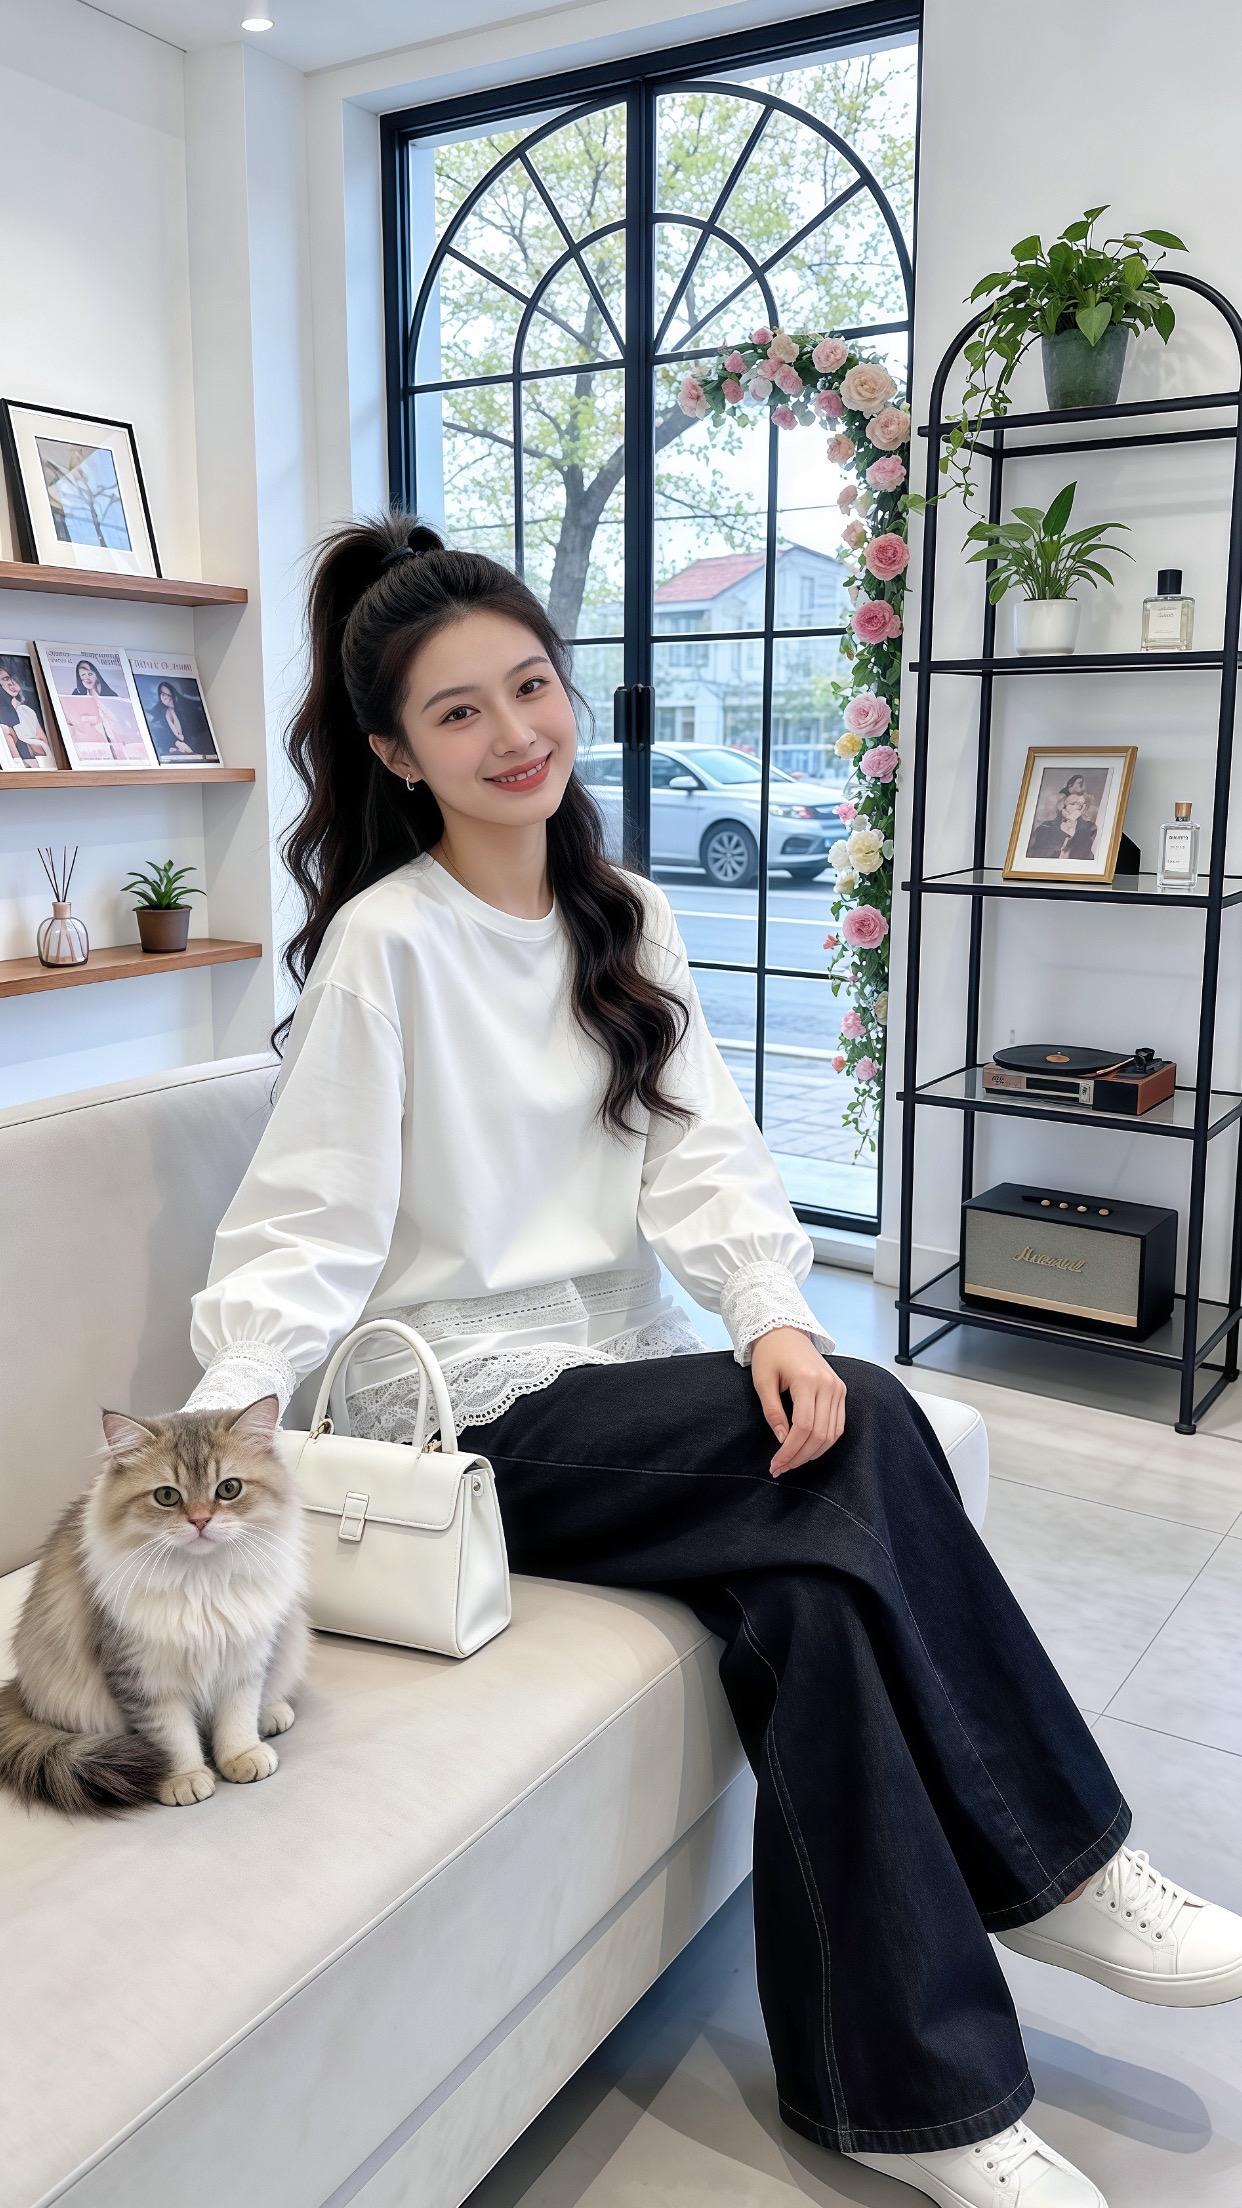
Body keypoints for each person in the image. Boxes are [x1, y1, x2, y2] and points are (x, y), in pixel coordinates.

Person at [179, 509, 1242, 2208]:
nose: (514, 733)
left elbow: (703, 1157)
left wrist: (770, 1316)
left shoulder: (625, 914)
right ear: (394, 753)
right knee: (874, 1422)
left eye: (531, 685)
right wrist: (221, 1421)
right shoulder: (389, 943)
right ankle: (1057, 1869)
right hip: (462, 1410)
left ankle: (913, 2105)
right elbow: (305, 1220)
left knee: (812, 1597)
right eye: (457, 712)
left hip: (618, 1372)